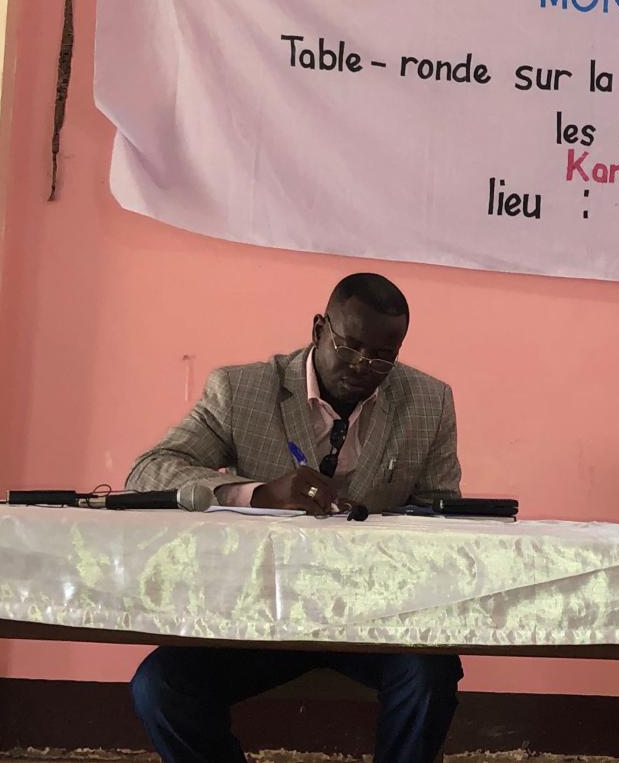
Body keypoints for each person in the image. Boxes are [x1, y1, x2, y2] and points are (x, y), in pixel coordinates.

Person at [126, 272, 463, 763]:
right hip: (260, 611)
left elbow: (442, 516)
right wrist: (258, 493)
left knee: (431, 674)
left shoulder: (429, 402)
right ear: (318, 329)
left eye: (382, 357)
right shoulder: (241, 390)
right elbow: (149, 471)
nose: (362, 365)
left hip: (375, 614)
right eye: (349, 347)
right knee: (159, 687)